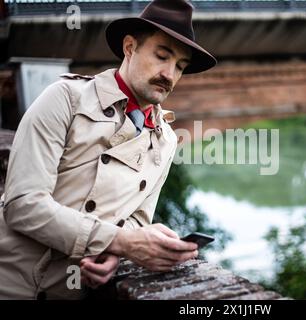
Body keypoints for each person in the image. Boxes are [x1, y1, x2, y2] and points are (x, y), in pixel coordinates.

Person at [0, 0, 217, 299]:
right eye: (161, 56)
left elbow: (137, 219)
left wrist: (115, 251)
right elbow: (23, 205)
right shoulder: (66, 98)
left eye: (180, 66)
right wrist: (119, 242)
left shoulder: (166, 140)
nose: (169, 74)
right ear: (129, 47)